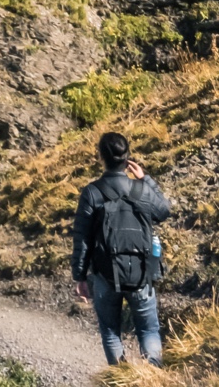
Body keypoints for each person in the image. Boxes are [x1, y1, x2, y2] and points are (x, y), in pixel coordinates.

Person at [72, 129, 170, 367]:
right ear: (127, 159)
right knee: (148, 330)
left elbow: (82, 237)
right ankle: (152, 380)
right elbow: (164, 211)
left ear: (100, 157)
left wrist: (80, 276)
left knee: (110, 331)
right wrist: (145, 179)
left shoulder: (92, 192)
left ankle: (120, 378)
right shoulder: (142, 189)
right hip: (141, 273)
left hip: (105, 275)